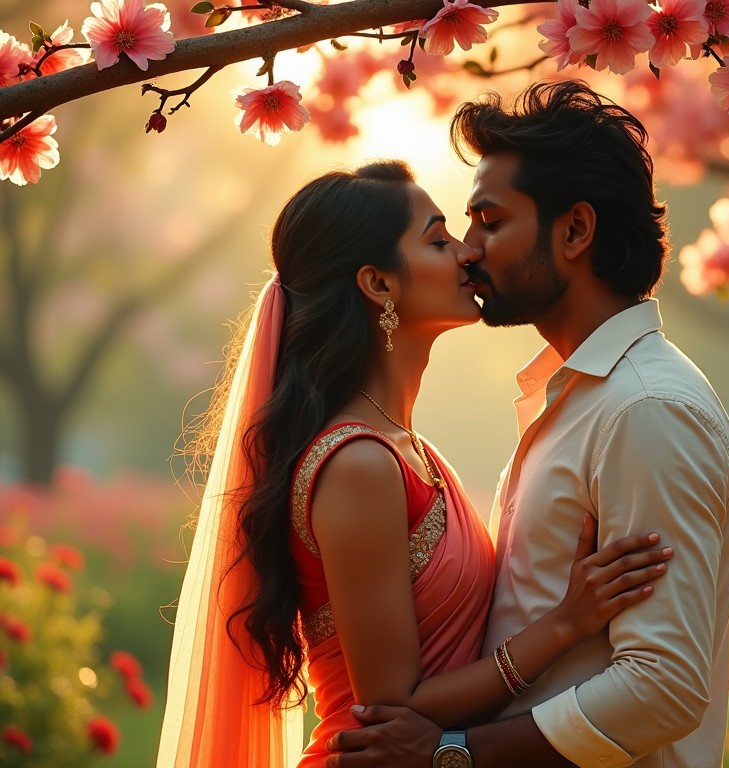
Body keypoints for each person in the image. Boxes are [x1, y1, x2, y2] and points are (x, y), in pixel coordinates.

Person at [154, 160, 674, 768]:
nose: (465, 254)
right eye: (437, 239)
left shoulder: (410, 450)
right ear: (378, 285)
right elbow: (397, 705)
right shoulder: (358, 464)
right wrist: (564, 625)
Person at [327, 81, 729, 768]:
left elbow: (663, 688)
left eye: (490, 223)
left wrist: (451, 754)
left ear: (575, 231)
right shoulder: (577, 399)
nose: (467, 250)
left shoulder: (647, 411)